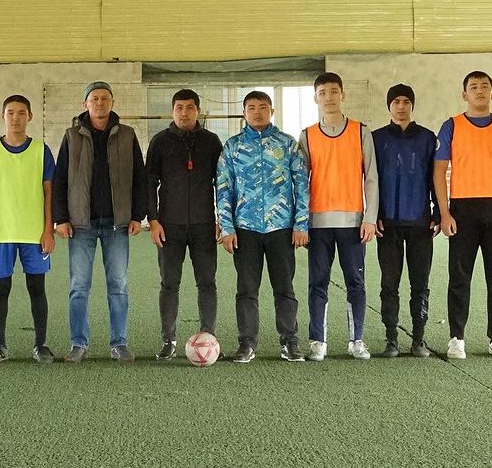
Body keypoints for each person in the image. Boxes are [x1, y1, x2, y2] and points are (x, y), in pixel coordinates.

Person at [52, 82, 146, 362]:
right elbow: (60, 179)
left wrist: (136, 215)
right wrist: (61, 218)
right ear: (85, 104)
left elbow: (139, 178)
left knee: (118, 285)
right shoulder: (72, 136)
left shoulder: (127, 135)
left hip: (117, 224)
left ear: (112, 102)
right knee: (79, 287)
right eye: (94, 98)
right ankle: (78, 344)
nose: (100, 102)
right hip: (81, 224)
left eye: (105, 98)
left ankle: (119, 343)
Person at [434, 71, 492, 359]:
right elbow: (438, 171)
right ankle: (456, 338)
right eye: (473, 87)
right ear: (465, 95)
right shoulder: (451, 125)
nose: (480, 91)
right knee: (459, 276)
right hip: (463, 209)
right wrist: (444, 212)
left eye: (485, 86)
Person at [216, 91, 309, 363]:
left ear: (272, 111)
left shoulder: (287, 144)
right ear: (244, 112)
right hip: (245, 229)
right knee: (246, 290)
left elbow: (302, 185)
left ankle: (290, 342)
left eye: (262, 107)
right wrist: (227, 228)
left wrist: (301, 223)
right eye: (251, 108)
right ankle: (246, 343)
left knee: (285, 288)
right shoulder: (233, 146)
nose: (257, 112)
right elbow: (223, 188)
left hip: (281, 229)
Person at [298, 73, 378, 361]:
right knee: (317, 283)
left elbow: (371, 178)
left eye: (333, 91)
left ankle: (357, 340)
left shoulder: (360, 132)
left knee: (355, 283)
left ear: (342, 95)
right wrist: (301, 222)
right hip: (317, 224)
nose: (328, 97)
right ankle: (318, 341)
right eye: (322, 92)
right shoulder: (307, 135)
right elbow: (300, 182)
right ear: (315, 98)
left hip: (352, 223)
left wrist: (370, 217)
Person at [0, 95, 56, 365]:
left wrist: (48, 230)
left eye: (21, 113)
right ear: (3, 116)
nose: (15, 118)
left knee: (37, 288)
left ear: (30, 116)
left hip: (34, 233)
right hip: (1, 233)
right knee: (1, 289)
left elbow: (49, 192)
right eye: (10, 112)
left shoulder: (41, 150)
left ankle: (40, 345)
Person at [145, 88, 223, 360]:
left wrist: (221, 220)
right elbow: (149, 183)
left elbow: (222, 183)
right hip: (169, 226)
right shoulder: (160, 142)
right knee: (169, 284)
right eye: (179, 107)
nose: (184, 113)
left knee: (207, 283)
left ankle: (208, 336)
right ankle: (168, 340)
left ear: (198, 111)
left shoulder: (211, 142)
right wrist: (153, 220)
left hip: (204, 225)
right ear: (172, 111)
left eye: (190, 107)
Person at [372, 84, 438, 358]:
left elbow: (435, 177)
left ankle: (418, 339)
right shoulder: (376, 138)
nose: (401, 106)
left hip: (420, 222)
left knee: (420, 283)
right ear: (389, 106)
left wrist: (437, 212)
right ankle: (391, 339)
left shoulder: (427, 138)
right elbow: (369, 179)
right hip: (387, 223)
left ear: (412, 105)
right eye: (396, 101)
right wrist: (373, 214)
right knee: (389, 283)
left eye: (406, 101)